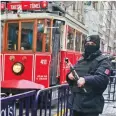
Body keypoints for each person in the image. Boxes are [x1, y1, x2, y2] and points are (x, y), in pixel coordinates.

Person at [66, 35, 112, 116]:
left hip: (90, 106)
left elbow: (102, 78)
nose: (89, 45)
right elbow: (74, 73)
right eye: (87, 43)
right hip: (75, 104)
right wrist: (69, 76)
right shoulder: (81, 59)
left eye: (92, 43)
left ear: (97, 45)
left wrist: (85, 79)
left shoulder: (103, 61)